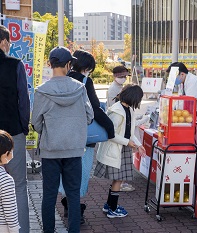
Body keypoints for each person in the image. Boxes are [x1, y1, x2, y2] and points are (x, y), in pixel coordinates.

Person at [31, 46, 94, 233]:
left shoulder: (42, 90)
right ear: (68, 64)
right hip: (74, 150)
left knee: (49, 196)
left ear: (50, 64)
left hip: (51, 150)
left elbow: (35, 122)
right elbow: (89, 116)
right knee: (73, 195)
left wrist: (49, 131)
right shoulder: (80, 88)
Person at [58, 50, 115, 224]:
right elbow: (95, 108)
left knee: (65, 172)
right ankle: (76, 211)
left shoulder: (60, 79)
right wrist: (109, 128)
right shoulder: (85, 81)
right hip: (83, 137)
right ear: (85, 66)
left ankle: (68, 204)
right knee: (80, 173)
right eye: (89, 67)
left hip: (61, 136)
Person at [94, 84, 146, 218]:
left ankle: (109, 205)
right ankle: (112, 209)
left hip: (121, 149)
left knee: (118, 180)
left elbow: (129, 132)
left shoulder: (128, 109)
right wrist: (127, 142)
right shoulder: (117, 112)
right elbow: (111, 134)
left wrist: (138, 145)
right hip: (115, 150)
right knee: (118, 180)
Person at [0, 25, 30, 233]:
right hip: (12, 131)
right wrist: (24, 126)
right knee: (18, 184)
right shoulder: (15, 65)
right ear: (3, 42)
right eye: (8, 42)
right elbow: (23, 101)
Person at [106, 65, 136, 192]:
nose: (123, 79)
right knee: (119, 160)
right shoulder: (114, 90)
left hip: (121, 129)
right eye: (121, 76)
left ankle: (119, 183)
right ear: (115, 76)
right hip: (118, 129)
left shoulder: (119, 88)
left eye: (125, 76)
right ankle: (119, 184)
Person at [0, 130, 20, 233]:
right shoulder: (5, 180)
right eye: (11, 151)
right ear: (4, 154)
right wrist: (15, 230)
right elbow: (10, 211)